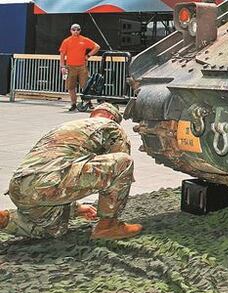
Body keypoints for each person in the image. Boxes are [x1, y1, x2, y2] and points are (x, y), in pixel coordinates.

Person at [0, 102, 142, 241]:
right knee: (124, 163)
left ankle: (6, 219)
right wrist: (109, 209)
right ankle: (107, 227)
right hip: (48, 184)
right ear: (112, 118)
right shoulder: (111, 126)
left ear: (92, 114)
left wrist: (77, 209)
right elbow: (117, 174)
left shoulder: (66, 127)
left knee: (54, 229)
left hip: (19, 187)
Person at [59, 23, 100, 112]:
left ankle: (88, 102)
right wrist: (62, 66)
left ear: (80, 30)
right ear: (70, 31)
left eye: (78, 29)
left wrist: (88, 55)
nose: (76, 31)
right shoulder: (66, 41)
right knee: (71, 87)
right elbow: (62, 54)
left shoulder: (84, 40)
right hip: (70, 66)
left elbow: (97, 47)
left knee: (86, 85)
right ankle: (73, 104)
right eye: (74, 30)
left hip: (82, 66)